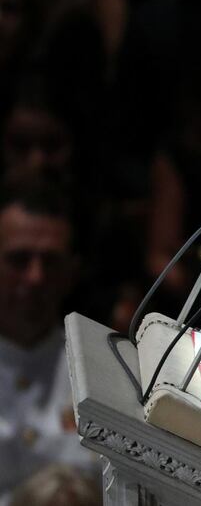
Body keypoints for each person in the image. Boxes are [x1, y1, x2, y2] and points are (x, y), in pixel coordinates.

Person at [0, 182, 99, 502]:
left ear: (72, 271)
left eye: (50, 261)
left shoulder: (101, 372)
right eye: (18, 260)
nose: (35, 277)